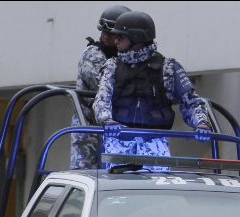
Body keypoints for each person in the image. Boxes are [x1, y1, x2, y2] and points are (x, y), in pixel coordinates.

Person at [92, 10, 213, 163]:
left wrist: (201, 123)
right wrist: (106, 120)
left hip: (156, 145)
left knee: (157, 186)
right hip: (118, 144)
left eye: (120, 37)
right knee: (117, 186)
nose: (115, 41)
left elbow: (191, 101)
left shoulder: (168, 68)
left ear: (136, 37)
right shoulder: (112, 67)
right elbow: (102, 98)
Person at [69, 5, 130, 170]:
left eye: (114, 34)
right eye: (105, 32)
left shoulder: (127, 58)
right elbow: (107, 88)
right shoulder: (92, 56)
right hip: (90, 133)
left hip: (115, 132)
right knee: (87, 180)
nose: (108, 37)